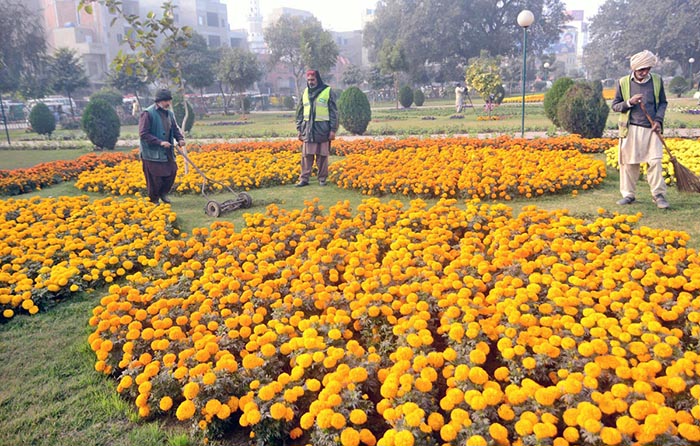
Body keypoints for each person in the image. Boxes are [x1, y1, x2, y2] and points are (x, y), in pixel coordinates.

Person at [611, 50, 669, 209]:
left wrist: (658, 120)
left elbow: (663, 103)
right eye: (641, 69)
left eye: (648, 69)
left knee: (655, 162)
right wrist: (629, 102)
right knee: (629, 163)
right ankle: (628, 195)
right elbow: (616, 106)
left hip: (652, 129)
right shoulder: (623, 82)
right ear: (634, 69)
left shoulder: (657, 81)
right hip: (631, 128)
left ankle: (658, 195)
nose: (645, 72)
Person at [138, 88, 185, 204]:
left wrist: (180, 139)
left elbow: (174, 128)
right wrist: (160, 142)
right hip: (152, 153)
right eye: (166, 101)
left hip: (167, 152)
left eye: (169, 101)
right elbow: (143, 134)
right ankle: (154, 199)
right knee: (155, 178)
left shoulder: (169, 114)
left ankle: (163, 193)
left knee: (172, 172)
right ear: (159, 101)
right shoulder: (147, 113)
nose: (168, 103)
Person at [294, 69, 338, 187]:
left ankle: (322, 179)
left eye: (312, 80)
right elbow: (300, 112)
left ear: (317, 79)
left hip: (323, 130)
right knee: (306, 156)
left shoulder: (327, 91)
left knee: (322, 156)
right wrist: (299, 129)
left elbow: (334, 112)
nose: (310, 82)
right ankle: (304, 179)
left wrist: (333, 130)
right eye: (308, 80)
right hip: (308, 130)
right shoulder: (305, 92)